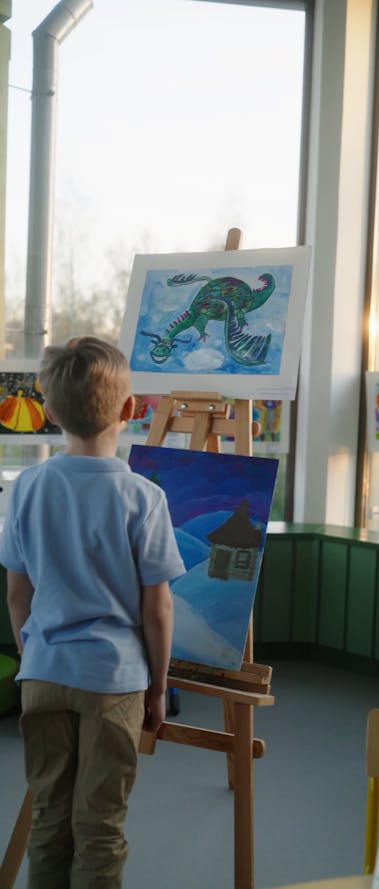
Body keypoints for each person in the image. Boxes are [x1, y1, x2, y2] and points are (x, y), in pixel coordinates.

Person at [0, 336, 185, 889]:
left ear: (49, 411)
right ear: (130, 410)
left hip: (43, 675)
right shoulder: (143, 498)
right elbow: (157, 609)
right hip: (113, 681)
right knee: (100, 826)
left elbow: (17, 593)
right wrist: (158, 687)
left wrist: (32, 653)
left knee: (50, 818)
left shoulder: (27, 487)